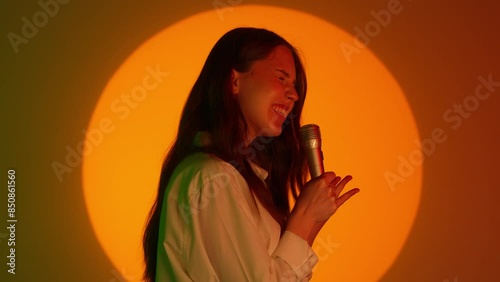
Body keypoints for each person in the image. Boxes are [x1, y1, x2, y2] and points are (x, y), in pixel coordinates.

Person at [143, 27, 360, 281]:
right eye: (282, 78)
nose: (294, 94)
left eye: (294, 85)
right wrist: (306, 217)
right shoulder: (212, 179)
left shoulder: (240, 180)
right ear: (234, 81)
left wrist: (312, 222)